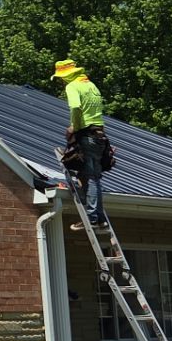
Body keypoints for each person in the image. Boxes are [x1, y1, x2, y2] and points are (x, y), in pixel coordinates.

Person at [54, 58, 109, 223]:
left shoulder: (73, 86)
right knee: (95, 177)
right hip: (100, 136)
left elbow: (76, 107)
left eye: (61, 78)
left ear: (66, 76)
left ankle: (92, 217)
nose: (61, 82)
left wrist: (74, 127)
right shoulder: (91, 85)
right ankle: (99, 217)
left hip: (87, 135)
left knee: (89, 177)